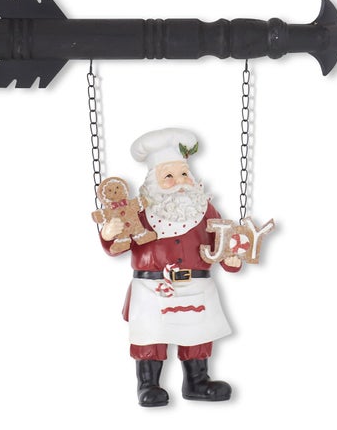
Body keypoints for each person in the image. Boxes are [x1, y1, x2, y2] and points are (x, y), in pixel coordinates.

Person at [99, 128, 241, 407]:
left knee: (198, 333)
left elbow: (222, 241)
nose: (180, 182)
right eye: (169, 176)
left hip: (196, 283)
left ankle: (197, 381)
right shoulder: (139, 212)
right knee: (151, 336)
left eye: (184, 173)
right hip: (151, 287)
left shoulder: (205, 210)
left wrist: (230, 259)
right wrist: (108, 233)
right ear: (153, 181)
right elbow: (119, 245)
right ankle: (148, 385)